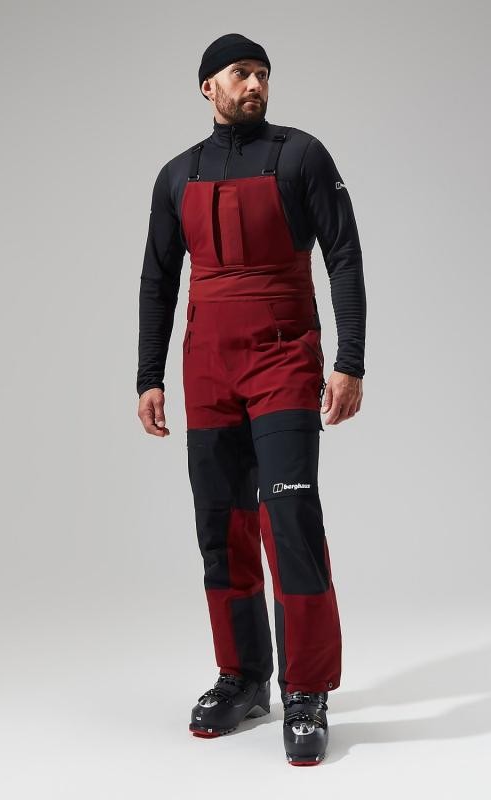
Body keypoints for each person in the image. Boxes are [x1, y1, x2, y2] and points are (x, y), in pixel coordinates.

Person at [136, 32, 366, 765]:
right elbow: (158, 279)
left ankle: (308, 690)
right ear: (208, 87)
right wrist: (148, 375)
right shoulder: (177, 175)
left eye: (263, 73)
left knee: (290, 518)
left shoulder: (302, 156)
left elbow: (344, 255)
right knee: (221, 524)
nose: (255, 84)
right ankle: (242, 677)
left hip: (283, 359)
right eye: (241, 73)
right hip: (207, 367)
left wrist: (349, 361)